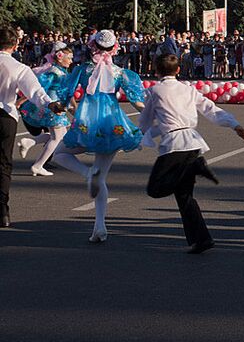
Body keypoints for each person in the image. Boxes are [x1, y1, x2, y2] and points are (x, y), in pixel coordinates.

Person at [139, 54, 244, 254]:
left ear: (156, 71)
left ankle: (195, 167)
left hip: (174, 145)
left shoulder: (154, 91)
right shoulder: (188, 89)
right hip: (192, 144)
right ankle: (201, 239)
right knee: (185, 197)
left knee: (155, 189)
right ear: (178, 70)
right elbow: (211, 109)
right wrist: (235, 125)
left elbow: (145, 120)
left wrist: (134, 137)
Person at [53, 29, 146, 243]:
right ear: (114, 48)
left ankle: (87, 174)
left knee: (59, 154)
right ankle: (100, 226)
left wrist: (57, 106)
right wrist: (154, 113)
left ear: (93, 45)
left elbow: (66, 95)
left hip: (88, 121)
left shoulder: (83, 70)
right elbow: (136, 101)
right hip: (113, 123)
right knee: (101, 177)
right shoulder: (120, 73)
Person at [0, 28, 65, 228]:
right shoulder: (18, 67)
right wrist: (50, 104)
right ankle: (2, 212)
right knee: (3, 163)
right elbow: (35, 91)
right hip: (5, 116)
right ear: (15, 45)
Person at [17, 43, 74, 177]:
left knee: (61, 135)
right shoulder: (54, 72)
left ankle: (30, 142)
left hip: (57, 106)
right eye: (69, 58)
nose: (71, 61)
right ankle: (38, 165)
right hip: (53, 107)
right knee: (57, 138)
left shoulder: (61, 71)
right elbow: (39, 85)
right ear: (60, 58)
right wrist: (22, 100)